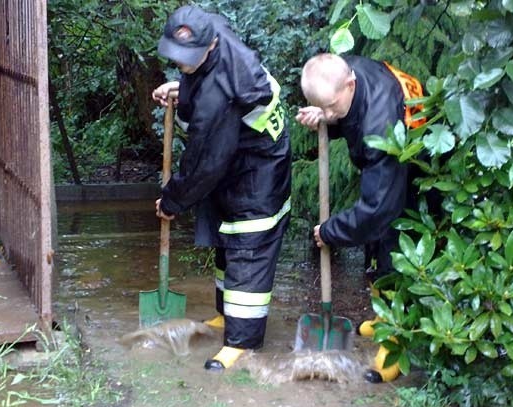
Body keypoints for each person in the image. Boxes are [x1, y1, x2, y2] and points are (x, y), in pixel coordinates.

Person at [151, 5, 291, 371]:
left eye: (187, 60)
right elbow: (202, 78)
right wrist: (181, 87)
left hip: (260, 166)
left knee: (248, 240)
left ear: (210, 46)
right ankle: (227, 315)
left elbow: (203, 164)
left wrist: (172, 201)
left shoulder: (220, 93)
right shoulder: (212, 31)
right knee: (225, 236)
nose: (182, 63)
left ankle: (241, 341)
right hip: (236, 153)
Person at [295, 53, 426, 383]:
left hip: (421, 171)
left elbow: (377, 209)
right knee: (376, 247)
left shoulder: (380, 124)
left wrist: (330, 232)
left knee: (394, 248)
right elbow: (346, 114)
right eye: (319, 106)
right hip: (393, 154)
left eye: (330, 107)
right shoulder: (344, 73)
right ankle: (384, 318)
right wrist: (326, 115)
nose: (326, 114)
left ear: (350, 85)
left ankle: (395, 343)